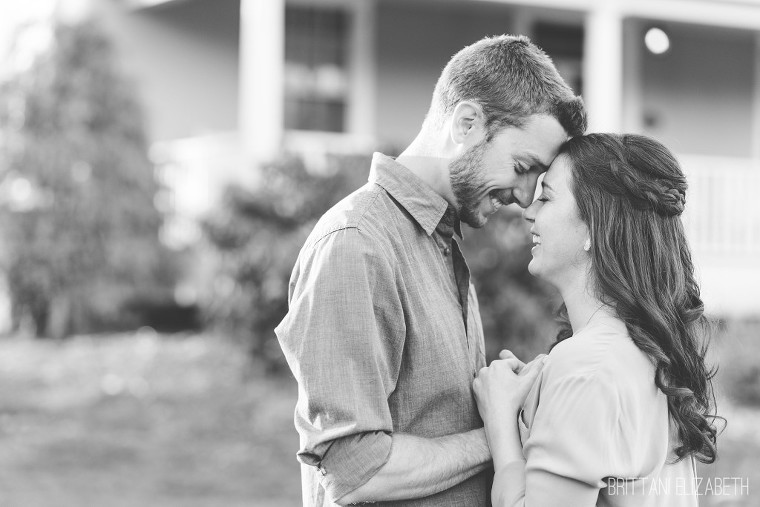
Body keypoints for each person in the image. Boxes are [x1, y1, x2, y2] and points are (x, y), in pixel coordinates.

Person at [275, 34, 586, 506]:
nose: (525, 197)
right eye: (522, 166)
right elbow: (355, 472)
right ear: (467, 122)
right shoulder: (358, 244)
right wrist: (505, 429)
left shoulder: (439, 240)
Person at [473, 133, 721, 506]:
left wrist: (500, 422)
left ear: (594, 224)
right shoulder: (643, 350)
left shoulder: (587, 366)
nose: (528, 211)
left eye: (547, 197)